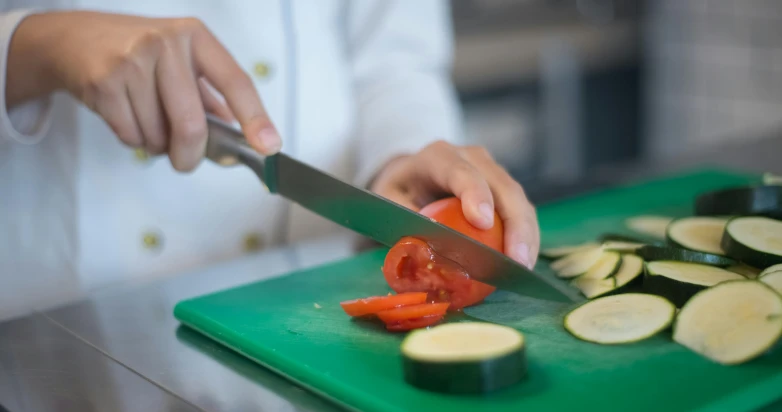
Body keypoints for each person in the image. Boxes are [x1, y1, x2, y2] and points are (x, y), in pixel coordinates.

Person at [0, 1, 540, 321]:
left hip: (305, 296)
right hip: (59, 331)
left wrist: (401, 156)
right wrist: (30, 45)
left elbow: (395, 61)